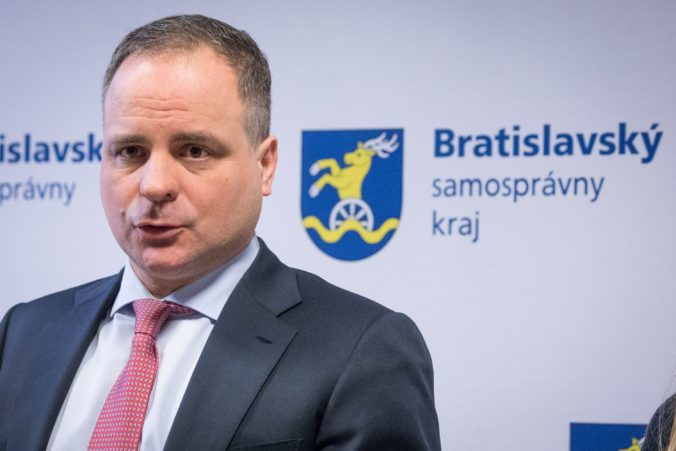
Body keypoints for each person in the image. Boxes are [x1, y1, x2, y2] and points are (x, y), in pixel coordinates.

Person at [0, 14, 440, 451]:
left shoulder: (362, 350)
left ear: (265, 165)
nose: (154, 185)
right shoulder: (23, 333)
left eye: (194, 150)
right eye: (130, 151)